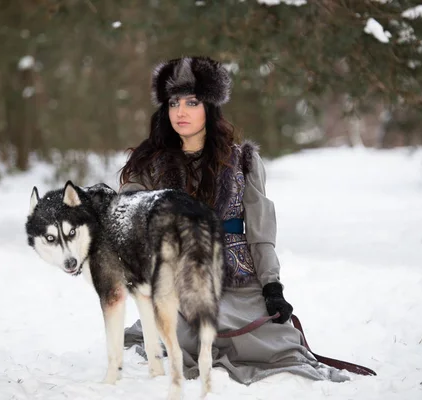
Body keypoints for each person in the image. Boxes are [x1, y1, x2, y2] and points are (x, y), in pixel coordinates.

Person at [118, 56, 349, 385]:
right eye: (173, 103)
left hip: (239, 282)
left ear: (209, 107)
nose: (180, 112)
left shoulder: (243, 161)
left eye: (192, 102)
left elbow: (261, 234)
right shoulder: (147, 166)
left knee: (275, 345)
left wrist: (271, 286)